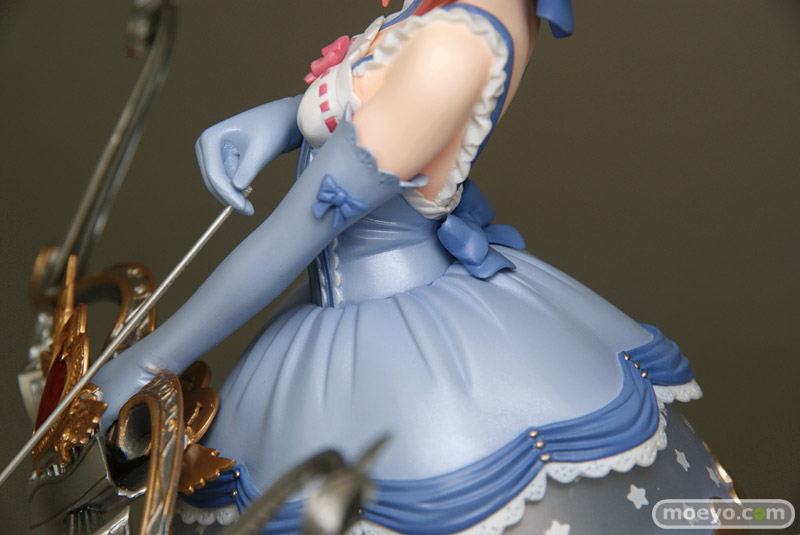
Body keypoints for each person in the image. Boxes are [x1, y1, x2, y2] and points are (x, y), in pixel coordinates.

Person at [93, 1, 735, 533]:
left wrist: (153, 360)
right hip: (335, 314)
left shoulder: (456, 45)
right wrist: (282, 119)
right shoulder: (431, 14)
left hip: (401, 347)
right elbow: (363, 102)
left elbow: (294, 234)